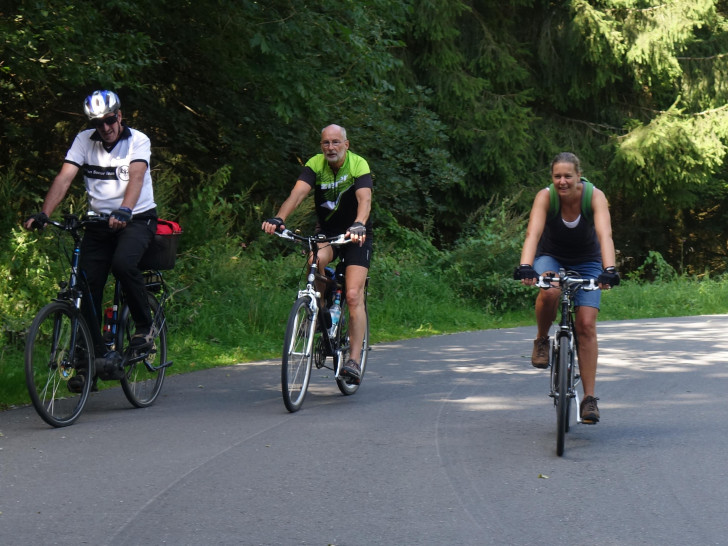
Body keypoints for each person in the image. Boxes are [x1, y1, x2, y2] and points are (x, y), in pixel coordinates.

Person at [25, 90, 158, 390]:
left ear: (119, 116)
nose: (106, 128)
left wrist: (125, 209)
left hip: (136, 218)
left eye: (110, 120)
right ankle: (90, 362)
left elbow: (136, 177)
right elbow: (64, 178)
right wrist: (45, 213)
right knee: (85, 286)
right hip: (99, 224)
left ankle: (144, 327)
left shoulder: (138, 140)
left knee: (123, 265)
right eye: (99, 123)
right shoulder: (84, 141)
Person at [262, 124, 372, 384]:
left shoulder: (358, 164)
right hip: (328, 235)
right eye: (326, 143)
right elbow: (297, 194)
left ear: (346, 144)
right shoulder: (315, 164)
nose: (330, 147)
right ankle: (319, 311)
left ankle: (353, 361)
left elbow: (365, 200)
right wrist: (279, 218)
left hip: (356, 235)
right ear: (321, 146)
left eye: (336, 142)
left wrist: (358, 224)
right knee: (315, 261)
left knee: (354, 295)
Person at [514, 152, 619, 424]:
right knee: (549, 290)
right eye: (557, 176)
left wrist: (609, 270)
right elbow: (532, 234)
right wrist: (526, 265)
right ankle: (541, 340)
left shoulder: (594, 197)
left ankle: (589, 400)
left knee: (586, 324)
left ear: (578, 175)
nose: (562, 182)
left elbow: (604, 235)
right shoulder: (545, 197)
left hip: (588, 261)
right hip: (552, 257)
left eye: (567, 176)